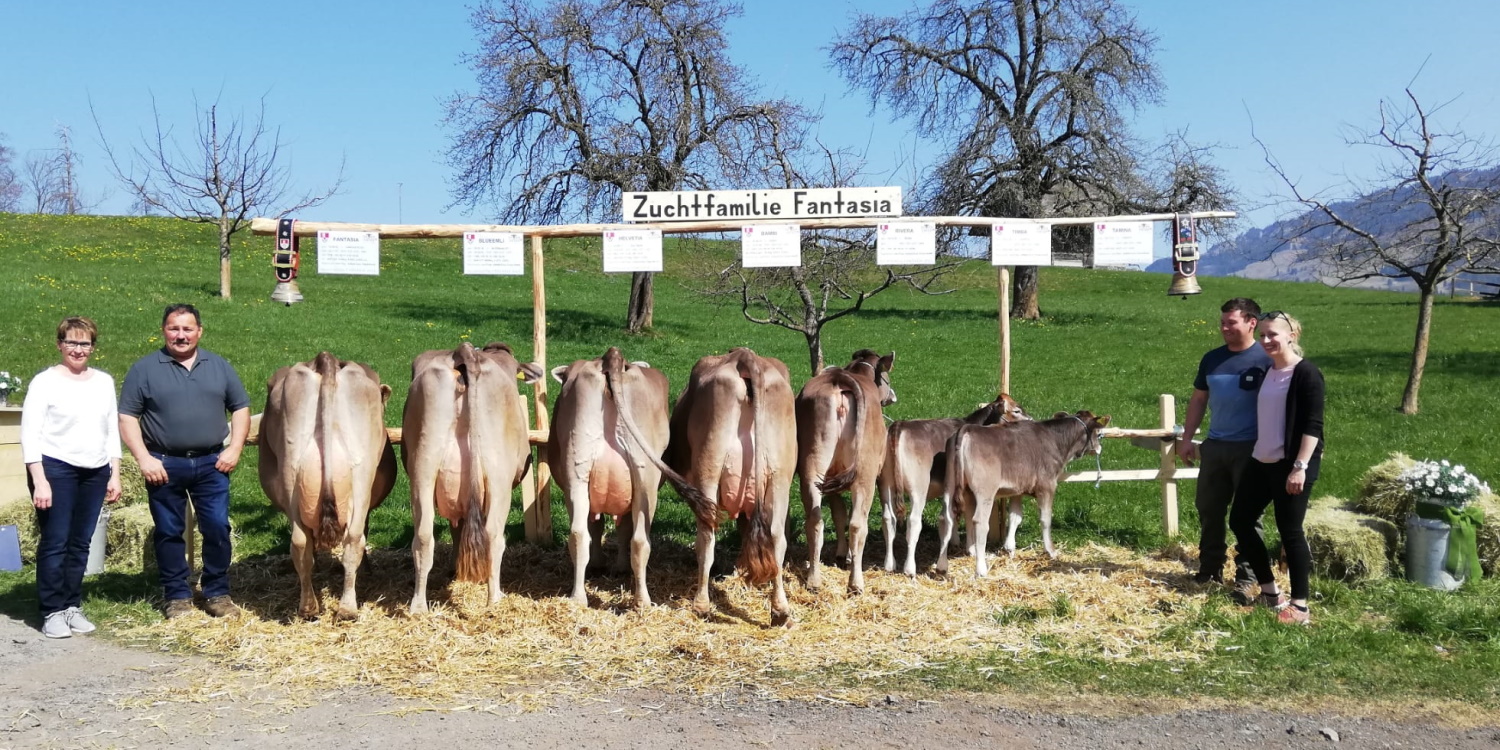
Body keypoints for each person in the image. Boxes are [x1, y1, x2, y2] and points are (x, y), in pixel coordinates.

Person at [119, 304, 251, 619]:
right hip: (163, 465)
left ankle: (217, 592)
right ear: (164, 330)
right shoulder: (145, 369)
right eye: (174, 329)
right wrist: (144, 458)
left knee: (217, 528)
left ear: (199, 331)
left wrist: (234, 449)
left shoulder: (218, 366)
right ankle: (177, 596)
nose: (181, 335)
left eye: (187, 329)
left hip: (211, 464)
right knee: (168, 530)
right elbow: (127, 417)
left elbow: (241, 408)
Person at [21, 317, 123, 639]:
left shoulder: (103, 382)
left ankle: (71, 605)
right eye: (72, 342)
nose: (78, 350)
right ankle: (51, 610)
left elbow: (111, 430)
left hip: (94, 471)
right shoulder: (45, 382)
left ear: (93, 347)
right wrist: (40, 479)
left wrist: (114, 473)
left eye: (85, 343)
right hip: (56, 469)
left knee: (81, 543)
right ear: (59, 344)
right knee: (56, 541)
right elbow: (30, 433)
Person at [1229, 311, 1325, 625]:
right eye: (1264, 335)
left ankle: (1300, 607)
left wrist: (1299, 466)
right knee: (1240, 520)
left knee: (1290, 531)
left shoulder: (1306, 373)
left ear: (1291, 336)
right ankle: (1271, 593)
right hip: (1262, 459)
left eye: (1274, 335)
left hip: (1292, 463)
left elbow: (1313, 424)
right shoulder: (1268, 371)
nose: (1267, 341)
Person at [1179, 298, 1271, 589]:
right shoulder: (1211, 358)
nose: (1224, 328)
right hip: (1215, 446)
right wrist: (1186, 439)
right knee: (1209, 509)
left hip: (1252, 448)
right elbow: (1198, 399)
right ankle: (1209, 569)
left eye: (1231, 322)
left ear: (1251, 323)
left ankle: (1248, 576)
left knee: (1248, 515)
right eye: (1222, 322)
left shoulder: (1267, 359)